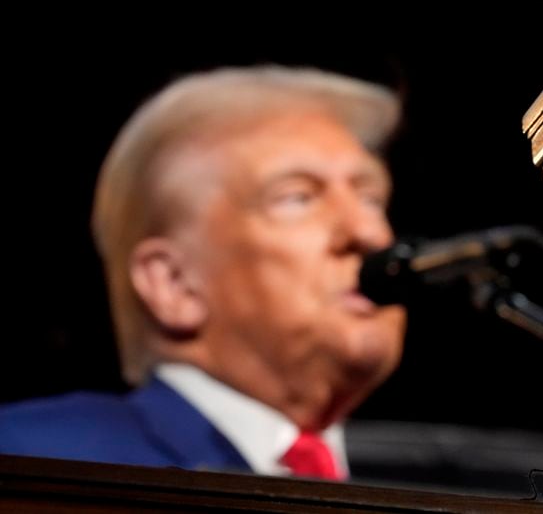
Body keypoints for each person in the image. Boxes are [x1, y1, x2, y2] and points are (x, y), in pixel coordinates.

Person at [0, 65, 407, 480]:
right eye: (297, 198)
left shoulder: (440, 480)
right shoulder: (34, 459)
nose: (369, 233)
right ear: (173, 285)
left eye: (371, 199)